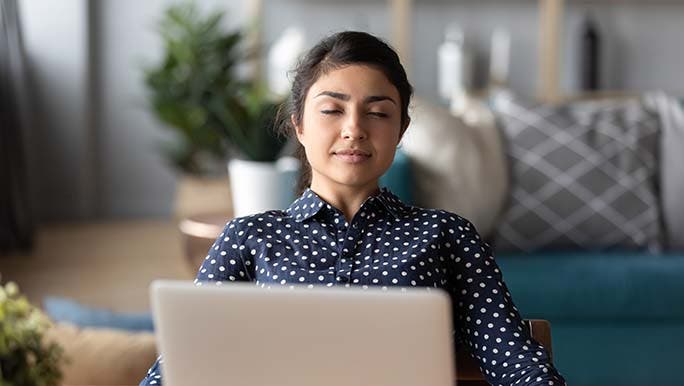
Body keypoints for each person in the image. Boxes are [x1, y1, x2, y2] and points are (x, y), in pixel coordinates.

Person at [140, 31, 566, 386]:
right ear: (299, 126)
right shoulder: (249, 237)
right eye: (331, 109)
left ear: (401, 131)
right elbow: (174, 370)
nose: (354, 129)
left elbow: (517, 362)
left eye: (378, 113)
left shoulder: (446, 234)